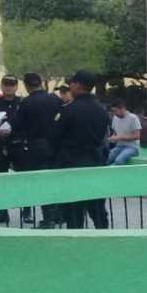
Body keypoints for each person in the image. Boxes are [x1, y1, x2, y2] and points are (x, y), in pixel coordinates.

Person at [52, 70, 110, 229]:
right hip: (95, 162)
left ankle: (77, 241)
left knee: (73, 209)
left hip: (72, 164)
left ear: (78, 85)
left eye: (72, 82)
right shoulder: (101, 110)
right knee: (97, 207)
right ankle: (104, 238)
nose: (70, 85)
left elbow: (56, 136)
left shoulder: (69, 110)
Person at [10, 72, 62, 227]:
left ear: (26, 86)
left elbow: (18, 126)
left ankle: (47, 218)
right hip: (55, 145)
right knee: (54, 182)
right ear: (40, 83)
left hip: (35, 148)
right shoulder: (55, 99)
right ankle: (57, 214)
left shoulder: (26, 103)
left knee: (41, 183)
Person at [0, 75, 23, 223]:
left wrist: (13, 130)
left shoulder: (22, 103)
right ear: (1, 86)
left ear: (16, 86)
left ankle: (26, 210)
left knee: (22, 178)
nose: (9, 87)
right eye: (6, 84)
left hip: (17, 144)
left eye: (12, 84)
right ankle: (2, 211)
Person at [106, 98, 142, 166]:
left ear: (122, 108)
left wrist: (120, 137)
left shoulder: (133, 118)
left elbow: (137, 136)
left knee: (119, 160)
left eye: (115, 111)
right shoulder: (115, 118)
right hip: (119, 146)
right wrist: (112, 138)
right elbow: (115, 133)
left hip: (132, 147)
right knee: (106, 159)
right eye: (113, 111)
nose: (114, 113)